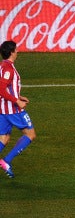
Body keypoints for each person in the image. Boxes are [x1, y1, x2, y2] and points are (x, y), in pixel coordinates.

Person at [0, 41, 36, 178]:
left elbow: (6, 88)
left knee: (4, 138)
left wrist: (19, 96)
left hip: (3, 109)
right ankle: (6, 161)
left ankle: (6, 161)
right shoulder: (8, 69)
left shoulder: (3, 66)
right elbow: (1, 89)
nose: (18, 51)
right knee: (30, 134)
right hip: (13, 110)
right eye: (16, 49)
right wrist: (17, 101)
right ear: (11, 52)